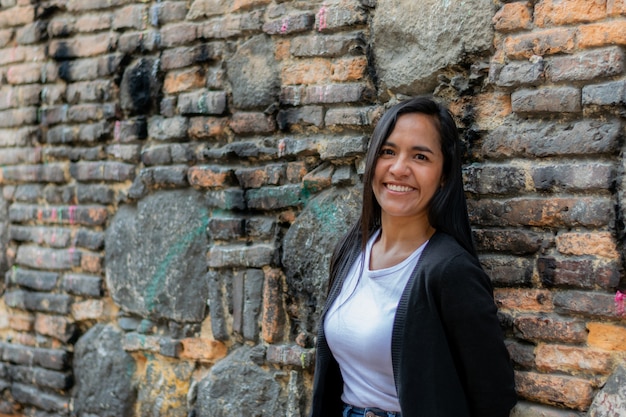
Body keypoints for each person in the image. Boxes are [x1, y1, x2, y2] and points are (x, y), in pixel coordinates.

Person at [309, 97, 517, 417]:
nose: (398, 168)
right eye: (388, 152)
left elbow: (493, 395)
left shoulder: (451, 271)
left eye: (420, 156)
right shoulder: (351, 251)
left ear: (444, 175)